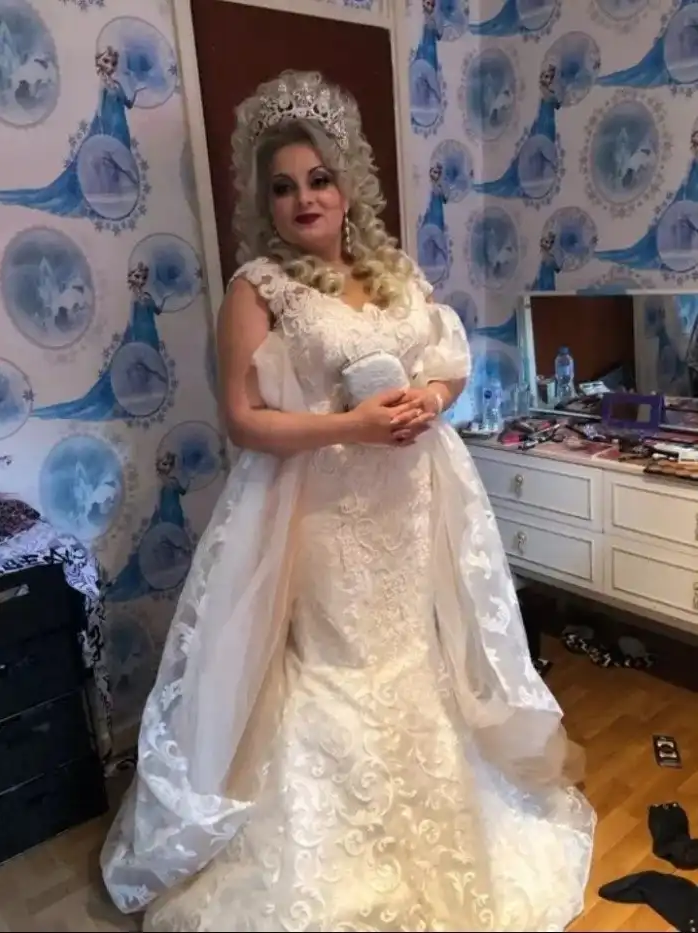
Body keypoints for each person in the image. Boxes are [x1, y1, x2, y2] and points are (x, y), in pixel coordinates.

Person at [100, 70, 595, 932]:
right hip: (324, 509)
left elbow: (448, 361)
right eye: (284, 186)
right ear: (265, 200)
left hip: (411, 497)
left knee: (416, 647)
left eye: (319, 179)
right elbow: (243, 419)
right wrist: (351, 425)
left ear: (347, 184)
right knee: (341, 661)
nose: (305, 199)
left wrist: (429, 400)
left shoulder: (394, 270)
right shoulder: (259, 287)